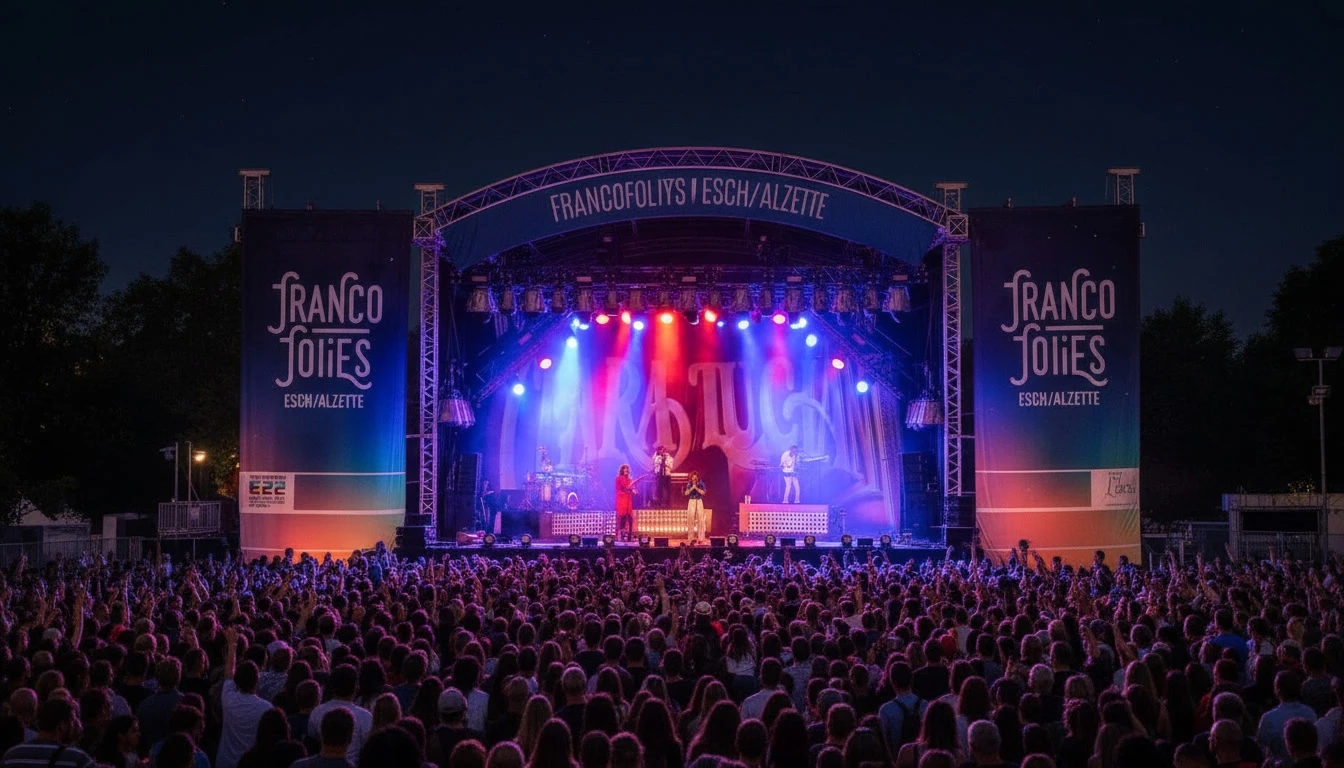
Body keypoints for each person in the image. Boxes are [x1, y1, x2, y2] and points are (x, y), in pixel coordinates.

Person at [0, 698, 95, 768]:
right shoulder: (77, 759)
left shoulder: (11, 756)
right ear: (61, 726)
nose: (77, 725)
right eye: (73, 721)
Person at [615, 464, 638, 542]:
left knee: (630, 516)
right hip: (622, 498)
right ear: (622, 470)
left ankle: (630, 534)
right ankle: (621, 533)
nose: (626, 471)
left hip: (628, 498)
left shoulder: (630, 480)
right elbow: (620, 488)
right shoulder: (618, 478)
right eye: (625, 469)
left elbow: (632, 488)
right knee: (623, 516)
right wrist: (629, 488)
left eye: (627, 469)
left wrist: (634, 490)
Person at [684, 471, 707, 544]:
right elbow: (686, 493)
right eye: (693, 478)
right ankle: (690, 538)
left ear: (697, 478)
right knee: (690, 519)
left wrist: (696, 488)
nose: (694, 479)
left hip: (699, 500)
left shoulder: (701, 483)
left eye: (695, 478)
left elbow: (703, 492)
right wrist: (691, 488)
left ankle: (700, 538)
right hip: (691, 501)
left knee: (700, 519)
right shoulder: (689, 483)